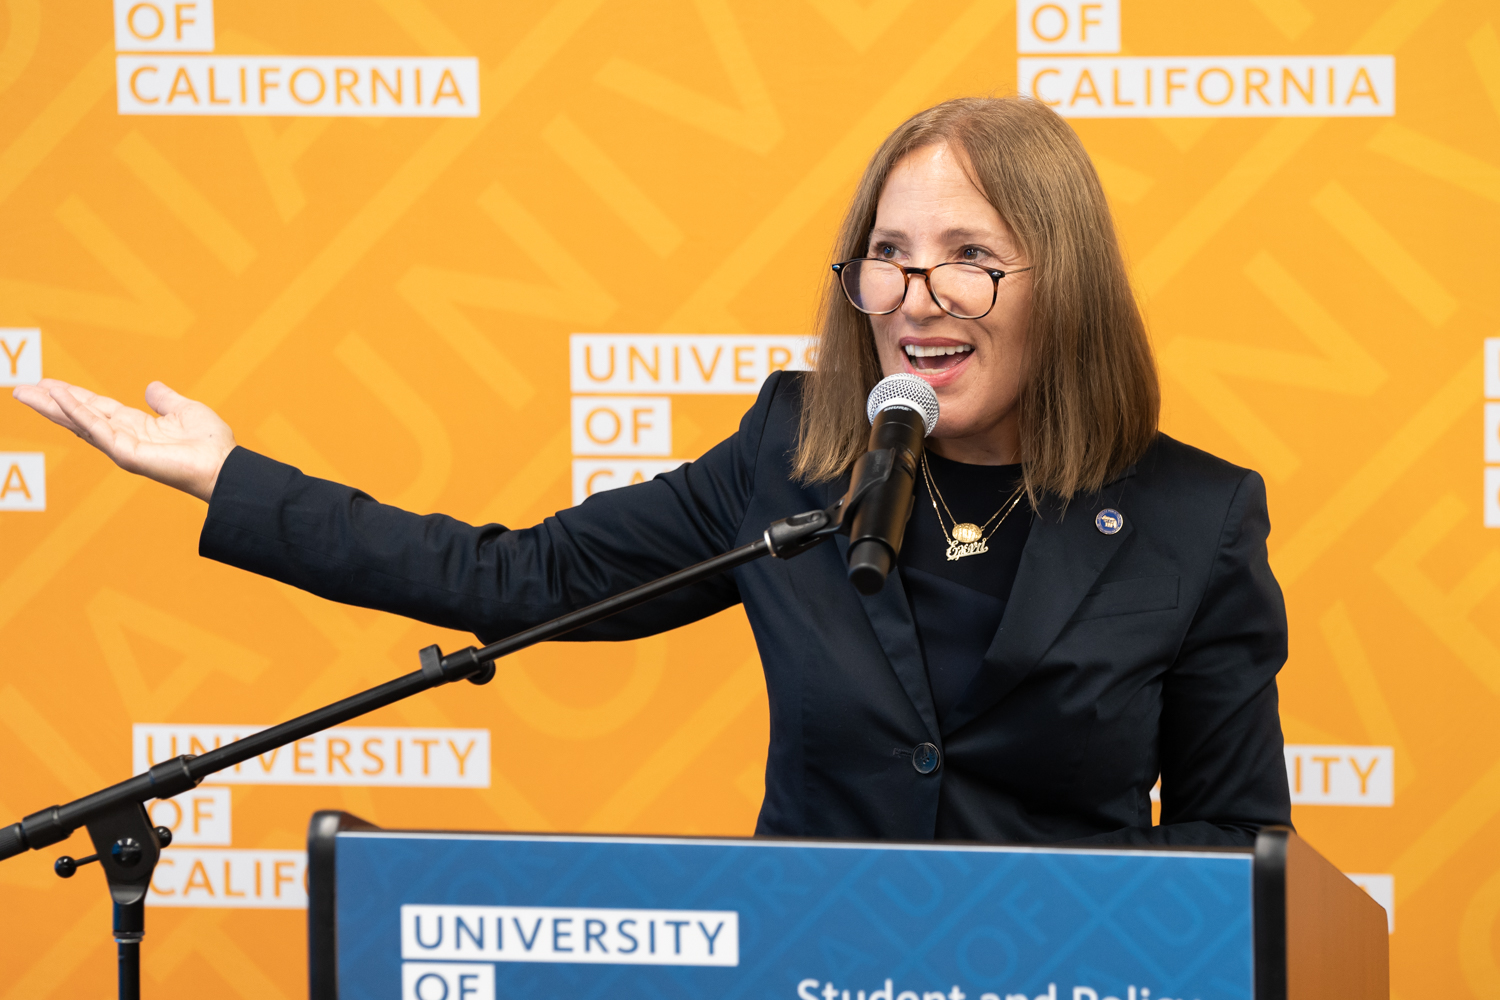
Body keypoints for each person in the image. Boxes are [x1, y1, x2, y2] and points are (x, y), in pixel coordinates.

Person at [12, 96, 1291, 845]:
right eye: (886, 255)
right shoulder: (793, 457)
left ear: (1059, 281)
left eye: (969, 253)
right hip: (806, 969)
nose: (916, 296)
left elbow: (1242, 852)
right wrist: (232, 476)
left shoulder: (1194, 515)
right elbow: (521, 576)